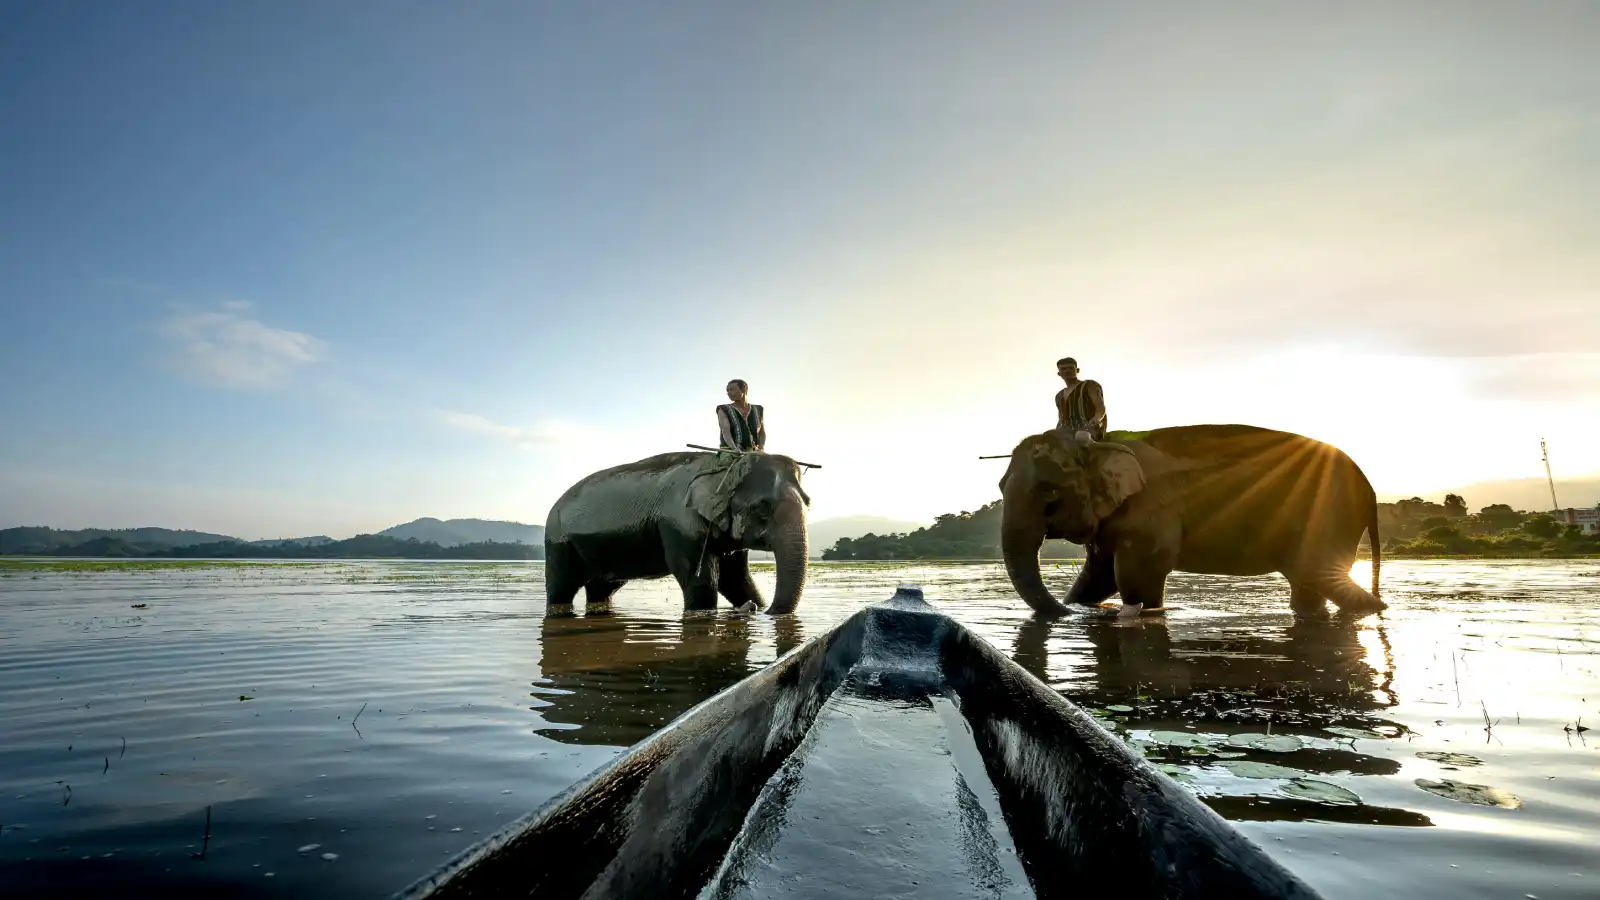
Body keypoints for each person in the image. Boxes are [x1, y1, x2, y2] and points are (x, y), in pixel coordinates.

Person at [1054, 357, 1106, 441]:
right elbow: (1062, 418)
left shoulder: (1089, 385)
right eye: (1063, 369)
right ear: (1059, 373)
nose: (1067, 371)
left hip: (1086, 429)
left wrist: (1096, 420)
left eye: (1070, 368)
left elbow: (1100, 407)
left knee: (1081, 437)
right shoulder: (1059, 396)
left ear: (1077, 370)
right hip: (1063, 432)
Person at [717, 379, 765, 452]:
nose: (729, 393)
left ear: (744, 389)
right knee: (727, 459)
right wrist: (734, 448)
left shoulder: (758, 409)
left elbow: (762, 433)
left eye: (732, 389)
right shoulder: (723, 409)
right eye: (727, 391)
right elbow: (725, 432)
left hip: (753, 451)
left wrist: (761, 448)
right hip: (730, 451)